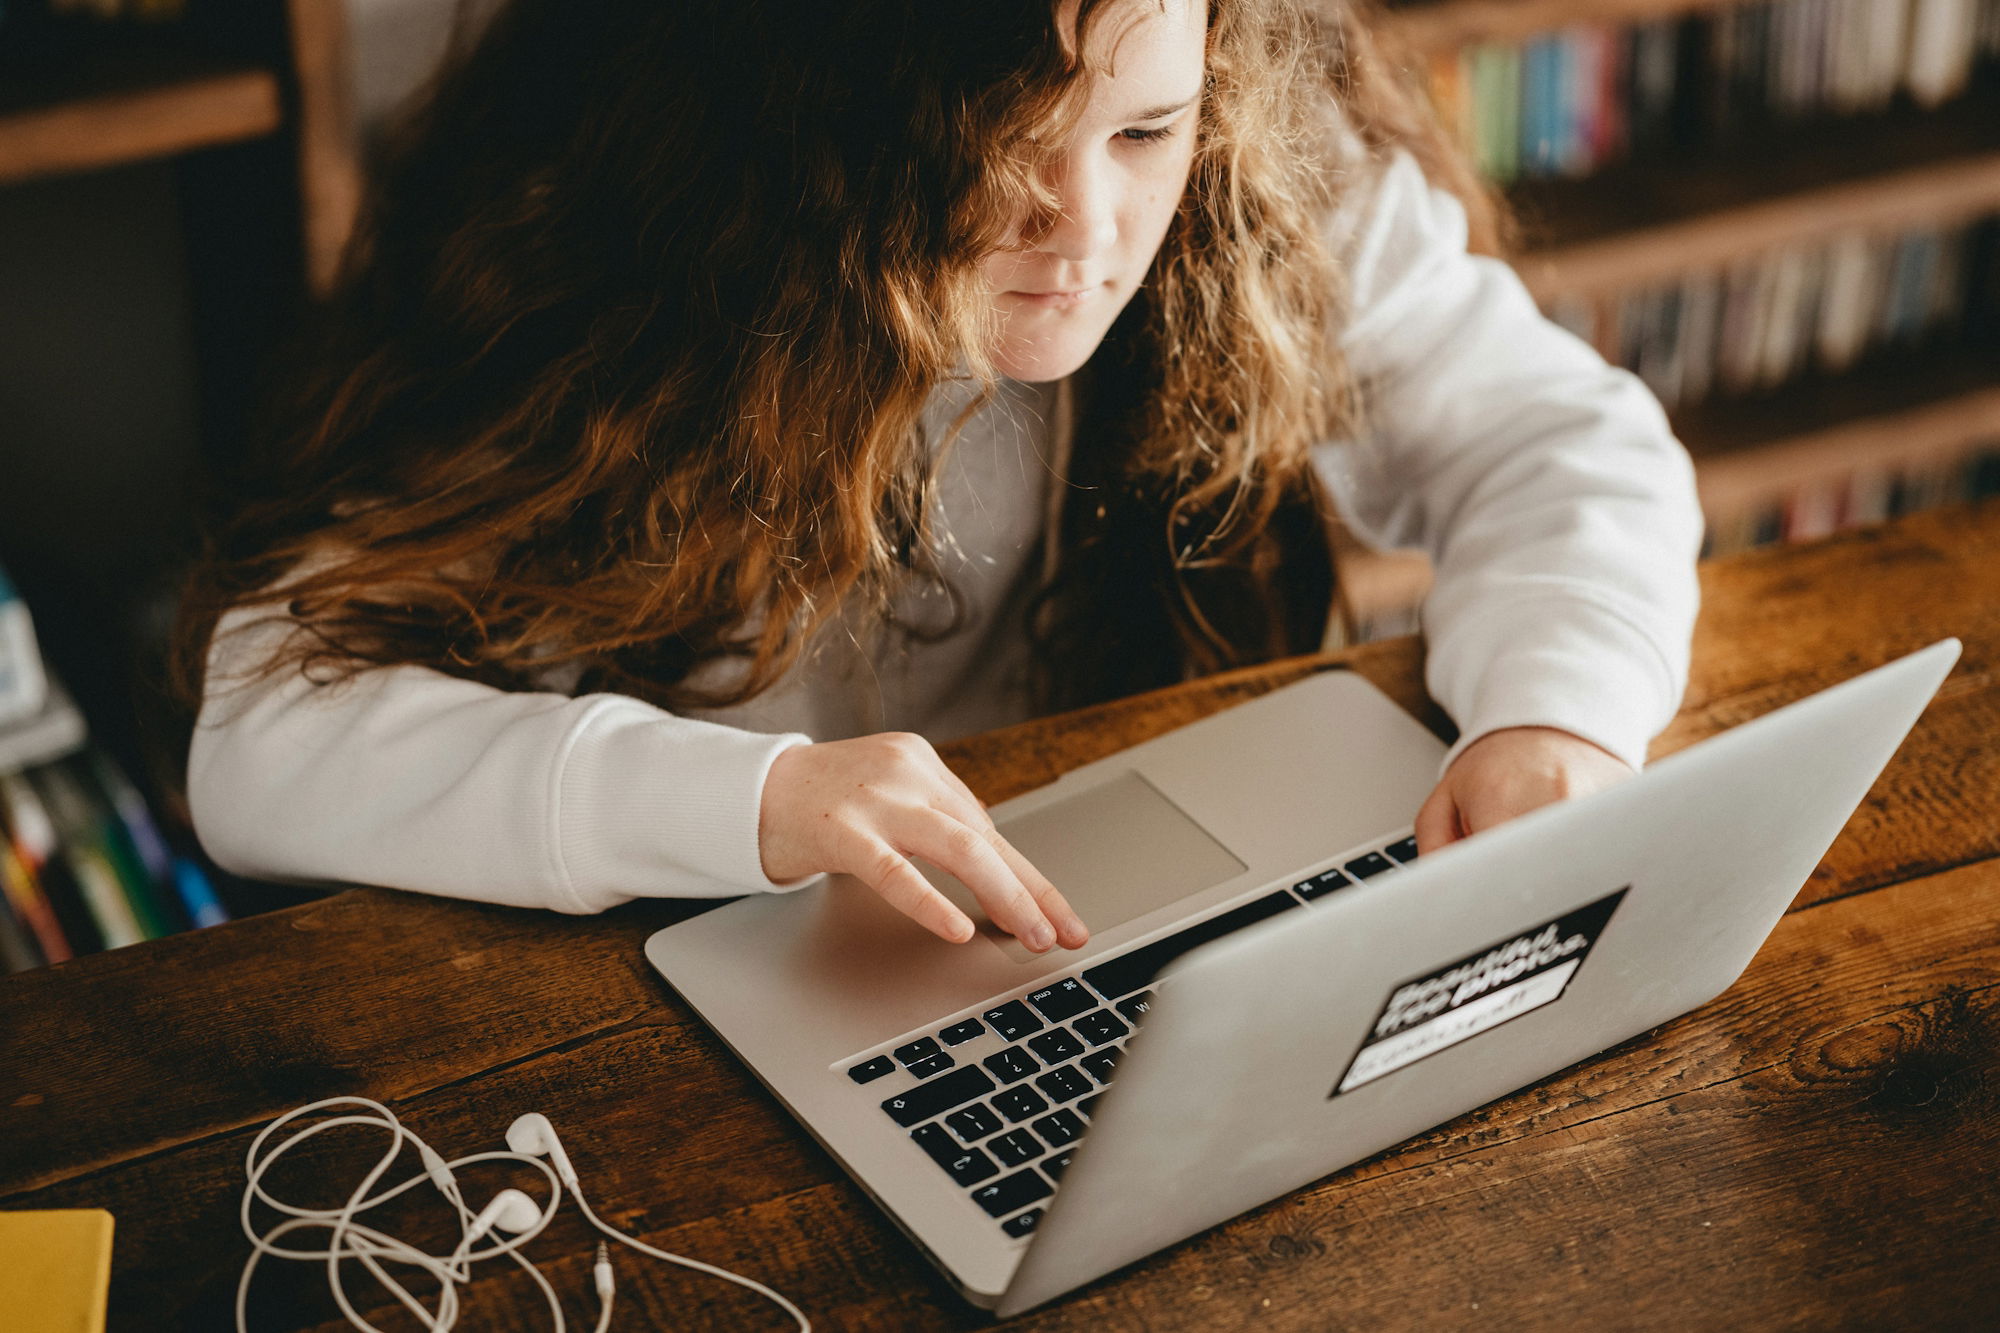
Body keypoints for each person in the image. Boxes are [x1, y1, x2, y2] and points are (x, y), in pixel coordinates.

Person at [174, 0, 1702, 957]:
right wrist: (756, 797)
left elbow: (1561, 441)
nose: (1088, 226)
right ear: (825, 121)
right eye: (996, 140)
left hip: (1143, 912)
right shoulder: (605, 264)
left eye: (1143, 128)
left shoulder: (1263, 173)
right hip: (709, 961)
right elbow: (263, 732)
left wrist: (1561, 715)